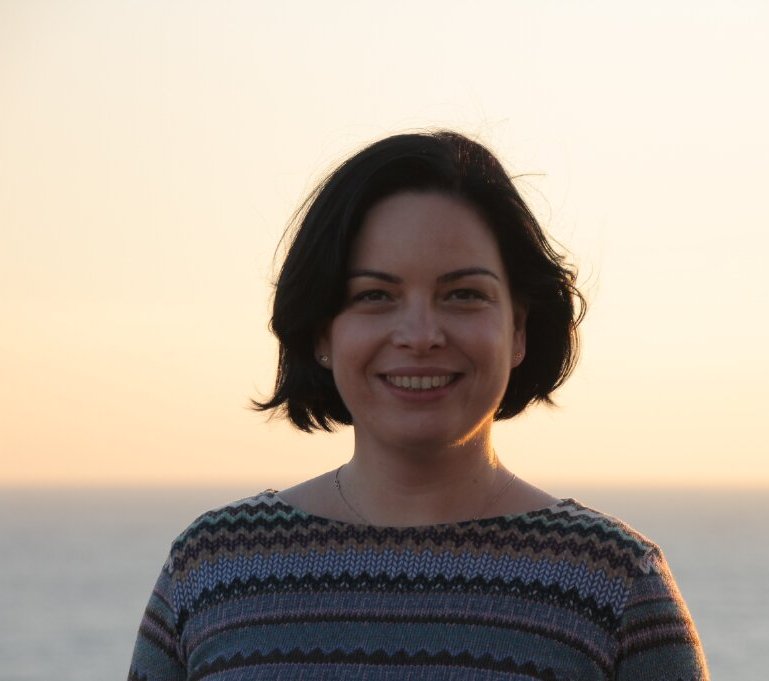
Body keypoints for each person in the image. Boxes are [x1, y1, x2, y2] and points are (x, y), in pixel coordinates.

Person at [129, 131, 708, 680]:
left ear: (519, 330)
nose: (421, 334)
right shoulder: (212, 569)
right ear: (322, 332)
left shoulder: (615, 587)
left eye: (464, 294)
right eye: (374, 295)